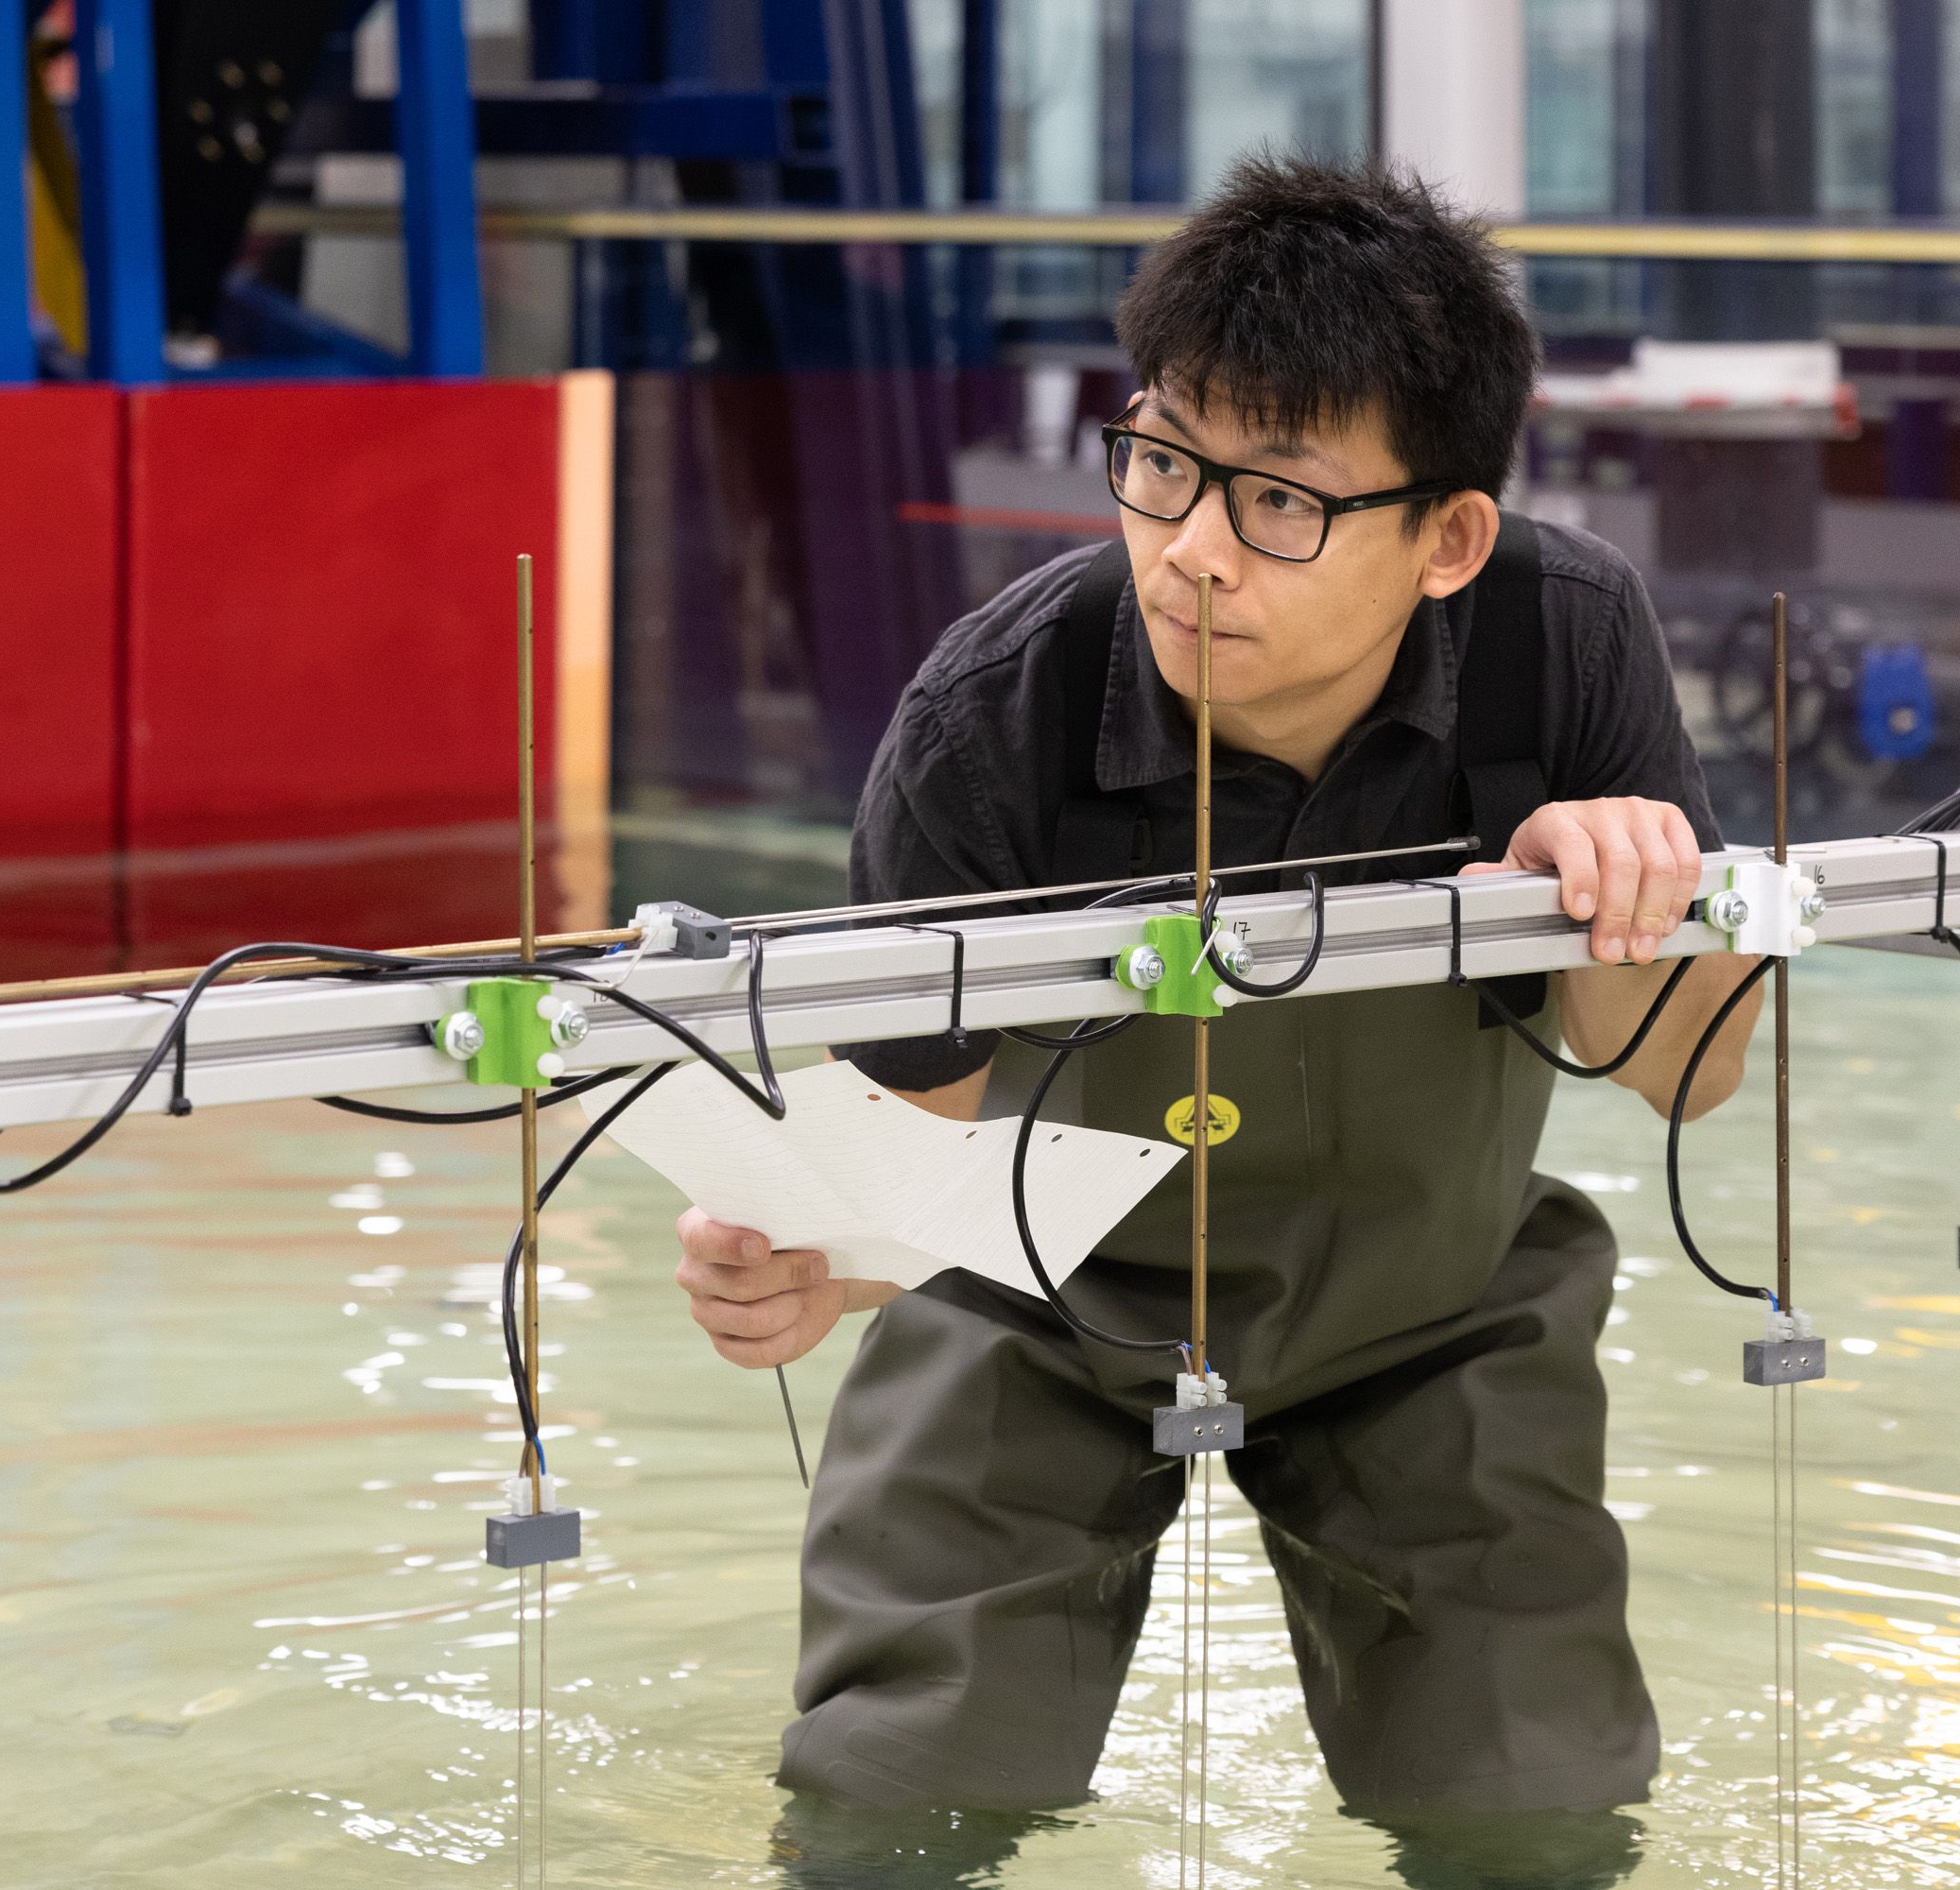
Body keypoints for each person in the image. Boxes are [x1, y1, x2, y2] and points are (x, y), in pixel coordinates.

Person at [676, 158, 1762, 1878]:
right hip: (1041, 1311)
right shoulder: (995, 711)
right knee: (893, 1805)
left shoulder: (1562, 646)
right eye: (1165, 462)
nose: (1191, 549)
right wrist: (805, 1258)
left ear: (1449, 539)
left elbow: (1693, 1079)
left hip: (1437, 1305)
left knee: (1532, 1814)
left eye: (1282, 502)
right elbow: (911, 1148)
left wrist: (1626, 900)